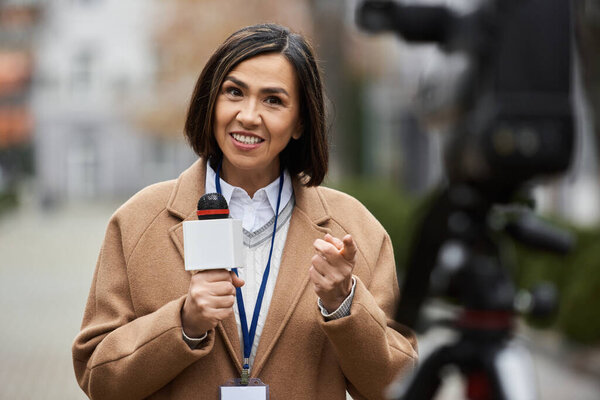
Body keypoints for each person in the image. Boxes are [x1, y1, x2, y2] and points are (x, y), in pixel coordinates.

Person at [72, 23, 417, 400]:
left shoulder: (355, 230)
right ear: (211, 102)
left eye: (273, 100)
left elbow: (397, 386)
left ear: (300, 121)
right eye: (234, 92)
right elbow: (97, 377)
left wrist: (343, 304)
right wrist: (184, 323)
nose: (249, 116)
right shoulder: (138, 222)